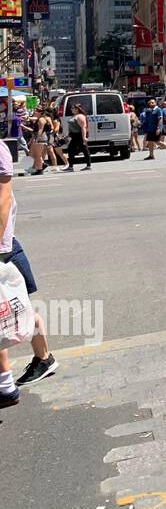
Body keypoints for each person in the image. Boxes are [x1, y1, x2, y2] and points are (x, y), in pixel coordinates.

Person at [0, 139, 57, 408]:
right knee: (17, 307)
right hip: (7, 247)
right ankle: (44, 358)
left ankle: (7, 383)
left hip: (4, 248)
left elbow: (4, 198)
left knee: (11, 308)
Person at [63, 102, 92, 172]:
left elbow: (83, 127)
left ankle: (88, 166)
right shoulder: (74, 116)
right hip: (74, 135)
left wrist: (84, 137)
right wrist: (68, 135)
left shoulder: (80, 116)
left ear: (77, 109)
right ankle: (71, 166)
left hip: (79, 135)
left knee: (84, 149)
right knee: (71, 149)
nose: (71, 109)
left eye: (72, 108)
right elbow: (72, 127)